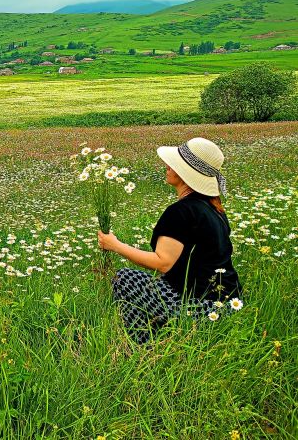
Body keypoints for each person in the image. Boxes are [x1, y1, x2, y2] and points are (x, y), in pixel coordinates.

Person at [97, 137, 242, 344]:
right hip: (228, 303)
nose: (167, 166)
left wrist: (116, 245)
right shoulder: (214, 208)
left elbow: (162, 263)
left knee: (124, 279)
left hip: (199, 307)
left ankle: (144, 344)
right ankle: (164, 336)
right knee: (157, 283)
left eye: (173, 163)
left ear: (186, 173)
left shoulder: (181, 212)